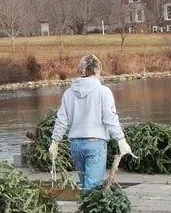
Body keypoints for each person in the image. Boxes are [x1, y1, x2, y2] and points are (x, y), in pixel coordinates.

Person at [48, 54, 134, 192]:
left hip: (75, 145)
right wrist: (121, 140)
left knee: (86, 184)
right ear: (97, 71)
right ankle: (89, 212)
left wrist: (55, 141)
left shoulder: (69, 93)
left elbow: (61, 120)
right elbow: (110, 119)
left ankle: (86, 210)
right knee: (92, 188)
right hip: (95, 143)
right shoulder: (103, 92)